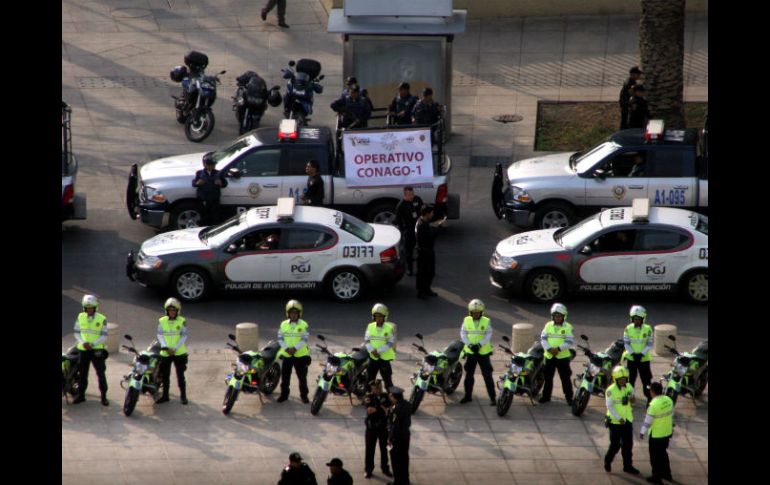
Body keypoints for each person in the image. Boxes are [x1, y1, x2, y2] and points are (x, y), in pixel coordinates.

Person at [72, 294, 109, 405]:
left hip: (96, 350)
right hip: (83, 350)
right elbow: (77, 332)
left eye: (91, 308)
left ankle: (104, 397)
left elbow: (104, 336)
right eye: (87, 308)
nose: (89, 310)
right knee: (83, 374)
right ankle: (81, 396)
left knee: (100, 374)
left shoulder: (102, 319)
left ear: (95, 307)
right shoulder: (80, 317)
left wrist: (92, 344)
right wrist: (83, 343)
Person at [604, 366, 641, 475]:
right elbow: (609, 406)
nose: (623, 381)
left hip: (627, 420)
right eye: (620, 380)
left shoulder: (629, 386)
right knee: (615, 445)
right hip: (615, 422)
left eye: (624, 379)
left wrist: (632, 399)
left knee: (628, 445)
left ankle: (628, 466)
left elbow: (633, 401)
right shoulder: (610, 391)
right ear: (615, 379)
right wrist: (619, 419)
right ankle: (608, 461)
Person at [459, 299, 496, 406]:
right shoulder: (466, 320)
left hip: (483, 353)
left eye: (478, 312)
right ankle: (468, 396)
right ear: (470, 312)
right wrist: (470, 345)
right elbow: (463, 333)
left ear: (481, 312)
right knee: (469, 376)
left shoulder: (486, 321)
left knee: (487, 376)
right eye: (474, 313)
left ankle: (493, 398)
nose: (476, 314)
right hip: (471, 352)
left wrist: (479, 344)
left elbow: (488, 334)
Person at [538, 303, 574, 405]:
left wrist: (558, 349)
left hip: (562, 357)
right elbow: (543, 338)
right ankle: (546, 396)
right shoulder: (548, 325)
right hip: (549, 356)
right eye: (555, 316)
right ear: (552, 316)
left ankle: (569, 398)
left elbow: (569, 341)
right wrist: (549, 349)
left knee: (565, 378)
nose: (557, 318)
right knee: (548, 378)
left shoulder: (568, 327)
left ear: (564, 316)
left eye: (559, 316)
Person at [640, 382, 674, 484]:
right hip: (666, 433)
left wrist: (642, 432)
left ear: (653, 392)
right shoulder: (668, 400)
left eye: (650, 390)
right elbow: (672, 415)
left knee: (655, 458)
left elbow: (647, 422)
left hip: (656, 436)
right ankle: (667, 474)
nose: (649, 392)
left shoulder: (653, 405)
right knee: (663, 455)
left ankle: (657, 478)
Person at [156, 297, 189, 405]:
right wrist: (165, 347)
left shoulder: (182, 321)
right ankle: (165, 396)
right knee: (165, 376)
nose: (172, 312)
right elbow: (159, 335)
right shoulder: (162, 321)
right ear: (166, 311)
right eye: (170, 310)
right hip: (166, 352)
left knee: (180, 376)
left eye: (174, 310)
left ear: (177, 311)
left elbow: (184, 336)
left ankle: (183, 396)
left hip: (178, 352)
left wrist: (174, 349)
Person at [277, 300, 311, 403]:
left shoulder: (304, 325)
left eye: (296, 313)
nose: (294, 315)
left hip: (300, 356)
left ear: (299, 314)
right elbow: (280, 338)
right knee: (285, 378)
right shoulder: (283, 324)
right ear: (288, 314)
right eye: (292, 313)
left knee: (302, 378)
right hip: (287, 355)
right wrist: (287, 349)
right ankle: (284, 395)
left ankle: (304, 396)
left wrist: (295, 348)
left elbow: (304, 339)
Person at [623, 305, 654, 401]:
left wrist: (641, 354)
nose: (636, 321)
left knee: (646, 380)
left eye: (638, 319)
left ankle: (649, 398)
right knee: (630, 380)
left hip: (644, 359)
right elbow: (626, 343)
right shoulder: (628, 329)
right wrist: (633, 354)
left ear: (643, 319)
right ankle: (630, 397)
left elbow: (649, 344)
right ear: (632, 319)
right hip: (631, 359)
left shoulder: (648, 329)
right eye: (635, 319)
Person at [363, 380, 392, 479]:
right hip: (371, 428)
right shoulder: (368, 397)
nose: (378, 390)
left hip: (383, 428)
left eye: (379, 388)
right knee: (369, 450)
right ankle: (368, 469)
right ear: (372, 389)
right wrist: (381, 409)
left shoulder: (386, 396)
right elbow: (370, 410)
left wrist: (378, 409)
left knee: (384, 449)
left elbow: (388, 409)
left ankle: (385, 468)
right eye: (375, 388)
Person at [415, 205, 445, 299]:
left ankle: (427, 289)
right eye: (431, 213)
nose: (432, 215)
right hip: (424, 252)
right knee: (424, 273)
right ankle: (421, 291)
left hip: (426, 250)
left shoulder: (423, 222)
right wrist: (439, 227)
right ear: (427, 214)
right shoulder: (422, 225)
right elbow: (430, 237)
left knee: (429, 272)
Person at [365, 304, 396, 390]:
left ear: (384, 317)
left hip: (384, 359)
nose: (378, 318)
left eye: (380, 316)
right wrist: (372, 351)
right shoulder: (370, 327)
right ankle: (368, 399)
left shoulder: (389, 328)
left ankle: (392, 399)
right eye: (376, 316)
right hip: (373, 358)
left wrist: (378, 351)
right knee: (369, 381)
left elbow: (390, 343)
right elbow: (367, 340)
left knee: (388, 382)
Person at [394, 186, 424, 276]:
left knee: (422, 250)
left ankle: (422, 268)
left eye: (412, 194)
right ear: (405, 195)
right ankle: (409, 269)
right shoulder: (401, 206)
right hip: (409, 231)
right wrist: (403, 231)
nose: (412, 196)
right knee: (409, 251)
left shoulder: (417, 199)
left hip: (419, 229)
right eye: (409, 195)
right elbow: (398, 220)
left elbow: (423, 210)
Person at [192, 152, 228, 226]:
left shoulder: (218, 173)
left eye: (213, 165)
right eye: (210, 165)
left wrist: (220, 183)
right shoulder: (199, 173)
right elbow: (194, 183)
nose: (212, 166)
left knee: (215, 217)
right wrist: (198, 183)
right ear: (205, 165)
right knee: (204, 216)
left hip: (214, 198)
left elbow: (225, 183)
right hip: (204, 198)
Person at [387, 386, 411, 485]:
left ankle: (398, 482)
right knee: (404, 460)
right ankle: (405, 480)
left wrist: (390, 439)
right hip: (406, 436)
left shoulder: (395, 409)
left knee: (396, 461)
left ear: (393, 397)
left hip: (397, 439)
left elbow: (394, 426)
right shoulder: (407, 405)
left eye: (391, 395)